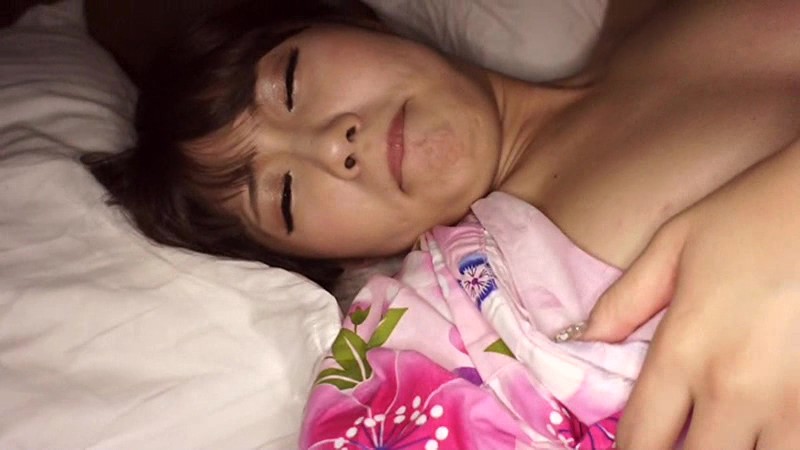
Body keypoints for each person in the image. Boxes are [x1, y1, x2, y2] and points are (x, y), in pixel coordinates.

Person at [84, 0, 800, 448]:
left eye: (291, 83)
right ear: (339, 259)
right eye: (287, 196)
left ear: (347, 19)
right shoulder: (464, 328)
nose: (333, 145)